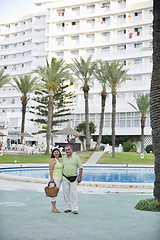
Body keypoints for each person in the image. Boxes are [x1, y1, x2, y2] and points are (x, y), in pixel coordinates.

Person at [62, 145, 83, 214]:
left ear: (71, 149)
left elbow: (80, 167)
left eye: (68, 149)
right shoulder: (63, 158)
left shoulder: (76, 157)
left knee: (74, 194)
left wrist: (79, 177)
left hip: (74, 178)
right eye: (66, 150)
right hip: (65, 178)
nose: (67, 151)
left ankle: (75, 208)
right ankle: (67, 208)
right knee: (66, 194)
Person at [49, 148, 63, 213]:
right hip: (55, 178)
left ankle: (54, 207)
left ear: (59, 153)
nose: (56, 153)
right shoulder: (52, 160)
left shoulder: (59, 160)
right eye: (55, 152)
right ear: (53, 154)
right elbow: (51, 170)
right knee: (53, 193)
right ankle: (53, 207)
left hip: (60, 178)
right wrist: (52, 179)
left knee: (56, 193)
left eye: (57, 152)